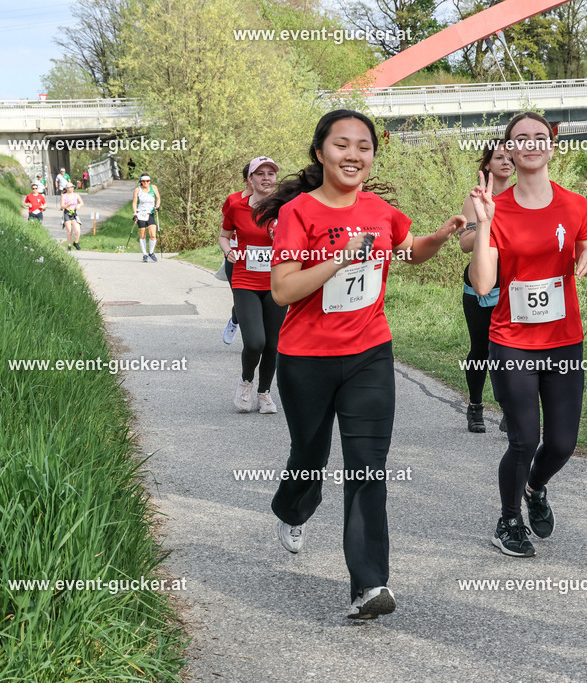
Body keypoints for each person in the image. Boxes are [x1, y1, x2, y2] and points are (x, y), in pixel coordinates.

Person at [260, 109, 464, 619]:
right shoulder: (298, 214)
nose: (354, 155)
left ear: (373, 155)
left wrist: (438, 237)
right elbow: (283, 290)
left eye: (364, 147)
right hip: (306, 359)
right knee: (309, 452)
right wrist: (340, 258)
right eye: (342, 145)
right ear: (319, 153)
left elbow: (406, 253)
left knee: (368, 469)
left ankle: (369, 586)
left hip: (370, 355)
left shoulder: (380, 210)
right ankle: (293, 507)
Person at [468, 112, 587, 558]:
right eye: (519, 139)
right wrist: (485, 223)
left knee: (562, 442)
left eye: (538, 137)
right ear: (507, 149)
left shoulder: (575, 204)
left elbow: (586, 244)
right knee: (524, 438)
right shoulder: (497, 208)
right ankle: (508, 520)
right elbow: (484, 284)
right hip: (512, 340)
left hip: (564, 340)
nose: (530, 144)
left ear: (552, 144)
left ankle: (535, 485)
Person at [220, 157, 285, 414]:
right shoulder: (236, 206)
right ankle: (246, 382)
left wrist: (280, 237)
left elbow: (302, 241)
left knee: (273, 344)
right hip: (245, 279)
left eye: (271, 173)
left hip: (277, 282)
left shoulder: (286, 208)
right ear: (250, 179)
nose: (266, 178)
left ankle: (264, 393)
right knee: (256, 342)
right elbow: (224, 236)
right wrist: (228, 252)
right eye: (260, 174)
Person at [458, 140, 513, 432]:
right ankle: (475, 406)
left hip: (513, 288)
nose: (506, 161)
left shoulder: (523, 197)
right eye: (499, 157)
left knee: (511, 351)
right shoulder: (476, 197)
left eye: (510, 157)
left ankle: (509, 408)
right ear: (487, 164)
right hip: (480, 290)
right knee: (481, 349)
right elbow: (465, 244)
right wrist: (485, 221)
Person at [219, 163, 252, 344]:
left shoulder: (273, 201)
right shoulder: (233, 200)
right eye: (254, 175)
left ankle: (259, 335)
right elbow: (226, 227)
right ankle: (235, 321)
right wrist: (229, 249)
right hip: (237, 256)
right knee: (240, 297)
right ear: (246, 180)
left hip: (263, 259)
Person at [132, 174, 161, 262]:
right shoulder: (138, 190)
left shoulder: (154, 188)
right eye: (144, 181)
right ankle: (144, 254)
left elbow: (158, 198)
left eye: (147, 181)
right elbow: (134, 203)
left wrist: (157, 206)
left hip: (151, 213)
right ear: (141, 182)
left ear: (150, 181)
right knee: (143, 234)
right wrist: (135, 214)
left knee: (153, 235)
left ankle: (151, 252)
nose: (146, 183)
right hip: (141, 214)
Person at [60, 182, 83, 250]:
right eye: (70, 187)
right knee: (69, 231)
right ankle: (69, 245)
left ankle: (75, 242)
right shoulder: (64, 196)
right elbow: (62, 206)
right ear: (67, 188)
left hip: (74, 213)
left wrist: (79, 205)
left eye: (72, 187)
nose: (72, 188)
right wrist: (68, 204)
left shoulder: (76, 195)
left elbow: (81, 202)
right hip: (67, 213)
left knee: (78, 230)